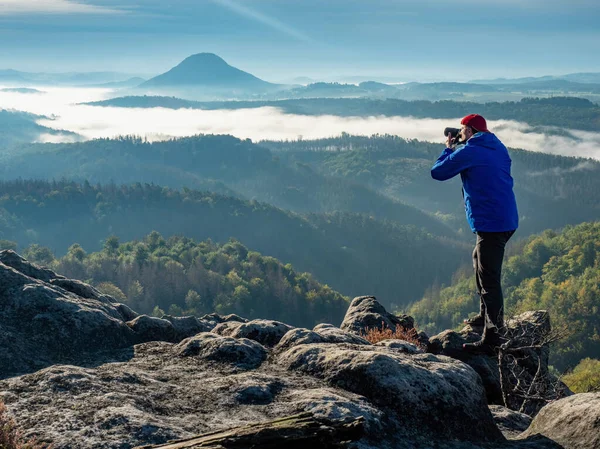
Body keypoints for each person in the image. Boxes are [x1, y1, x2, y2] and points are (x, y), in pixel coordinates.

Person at [431, 114, 518, 351]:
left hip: (491, 223)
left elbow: (437, 172)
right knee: (478, 259)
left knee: (489, 279)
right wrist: (464, 143)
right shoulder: (497, 146)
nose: (459, 134)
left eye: (462, 130)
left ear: (469, 131)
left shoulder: (469, 151)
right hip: (506, 219)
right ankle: (484, 316)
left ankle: (492, 337)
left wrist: (449, 148)